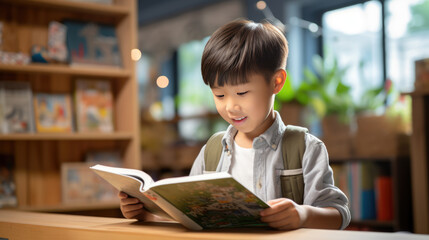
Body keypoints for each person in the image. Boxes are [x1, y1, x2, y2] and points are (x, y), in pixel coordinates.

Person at [119, 19, 351, 230]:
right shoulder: (212, 151)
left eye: (241, 92)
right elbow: (192, 216)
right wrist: (147, 215)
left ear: (276, 82)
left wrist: (303, 214)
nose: (230, 106)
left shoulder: (304, 147)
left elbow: (340, 214)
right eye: (219, 95)